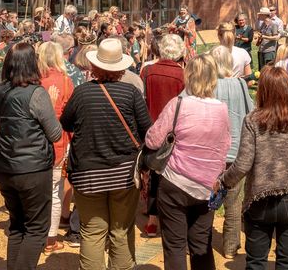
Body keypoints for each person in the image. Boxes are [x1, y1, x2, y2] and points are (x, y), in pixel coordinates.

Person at [60, 38, 152, 270]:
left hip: (87, 174)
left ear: (94, 66)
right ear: (121, 67)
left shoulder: (81, 93)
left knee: (92, 231)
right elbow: (147, 130)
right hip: (123, 174)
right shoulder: (131, 93)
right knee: (121, 229)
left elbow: (66, 122)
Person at [222, 66, 288, 270]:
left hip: (259, 200)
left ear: (263, 91)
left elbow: (242, 164)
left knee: (256, 263)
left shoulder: (252, 120)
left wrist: (223, 181)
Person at [145, 54, 229, 270]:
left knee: (175, 246)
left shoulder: (178, 104)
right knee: (202, 244)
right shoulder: (221, 109)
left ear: (189, 76)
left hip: (175, 182)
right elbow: (225, 146)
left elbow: (153, 140)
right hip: (208, 185)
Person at [0, 42, 63, 269]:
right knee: (36, 228)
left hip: (5, 167)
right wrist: (50, 105)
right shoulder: (37, 93)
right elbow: (55, 133)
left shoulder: (0, 90)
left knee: (17, 225)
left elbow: (1, 119)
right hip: (32, 169)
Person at [139, 32, 186, 238]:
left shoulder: (148, 71)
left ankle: (152, 219)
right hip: (175, 130)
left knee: (153, 172)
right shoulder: (182, 74)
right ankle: (170, 217)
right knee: (173, 173)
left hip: (151, 125)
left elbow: (141, 99)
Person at [210, 46, 255, 258]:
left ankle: (202, 242)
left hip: (212, 151)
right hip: (235, 151)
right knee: (234, 203)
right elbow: (250, 111)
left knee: (207, 199)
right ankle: (231, 247)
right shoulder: (239, 84)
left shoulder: (208, 85)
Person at [37, 40, 74, 253]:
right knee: (54, 191)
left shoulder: (34, 81)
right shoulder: (66, 82)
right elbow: (71, 115)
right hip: (59, 141)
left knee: (38, 191)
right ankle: (50, 239)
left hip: (35, 144)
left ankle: (37, 234)